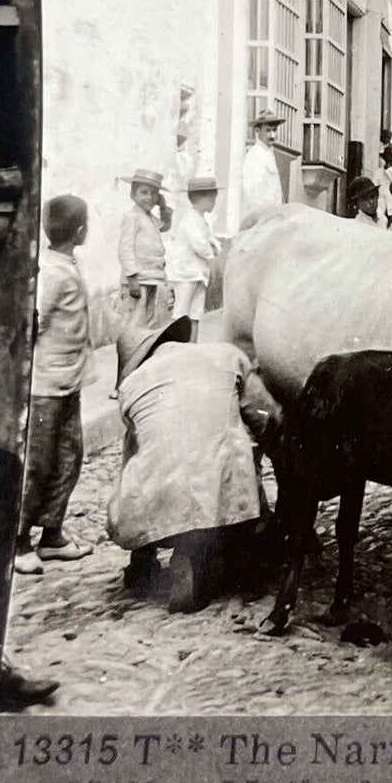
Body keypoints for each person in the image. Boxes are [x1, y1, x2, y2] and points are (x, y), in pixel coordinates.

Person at [109, 317, 276, 613]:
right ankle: (242, 564)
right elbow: (267, 416)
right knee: (237, 468)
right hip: (223, 488)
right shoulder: (227, 356)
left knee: (143, 470)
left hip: (163, 494)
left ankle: (150, 561)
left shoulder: (131, 387)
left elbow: (134, 452)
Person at [15, 194, 95, 577]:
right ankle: (18, 542)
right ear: (79, 231)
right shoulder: (51, 272)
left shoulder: (65, 264)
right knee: (37, 465)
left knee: (69, 459)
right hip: (45, 386)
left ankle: (52, 535)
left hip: (67, 382)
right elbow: (35, 322)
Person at [118, 167, 172, 328]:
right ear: (132, 195)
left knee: (149, 320)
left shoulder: (150, 218)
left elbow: (164, 227)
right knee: (133, 321)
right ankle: (130, 351)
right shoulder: (132, 217)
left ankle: (144, 351)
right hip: (137, 280)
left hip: (153, 278)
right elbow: (124, 249)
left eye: (154, 193)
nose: (149, 197)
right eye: (144, 192)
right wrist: (132, 278)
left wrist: (163, 208)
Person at [168, 177, 219, 341]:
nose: (214, 203)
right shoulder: (190, 219)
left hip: (198, 274)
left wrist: (214, 247)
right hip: (185, 274)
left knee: (195, 313)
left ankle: (191, 346)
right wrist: (211, 253)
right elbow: (200, 244)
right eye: (212, 200)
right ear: (201, 199)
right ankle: (178, 346)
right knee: (182, 312)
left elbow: (213, 241)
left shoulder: (201, 220)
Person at [240, 112, 285, 216]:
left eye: (274, 130)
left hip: (273, 216)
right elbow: (252, 193)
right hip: (262, 218)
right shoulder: (255, 155)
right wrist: (264, 218)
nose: (272, 135)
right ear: (258, 131)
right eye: (268, 131)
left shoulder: (269, 152)